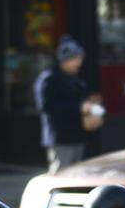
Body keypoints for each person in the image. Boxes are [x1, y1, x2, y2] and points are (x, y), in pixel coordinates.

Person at [33, 36, 103, 173]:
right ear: (65, 59)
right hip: (61, 138)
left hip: (78, 135)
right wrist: (79, 107)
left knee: (76, 175)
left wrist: (91, 103)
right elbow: (46, 106)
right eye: (75, 59)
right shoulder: (49, 79)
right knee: (60, 175)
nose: (79, 63)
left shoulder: (75, 79)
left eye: (80, 59)